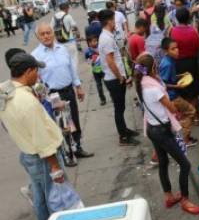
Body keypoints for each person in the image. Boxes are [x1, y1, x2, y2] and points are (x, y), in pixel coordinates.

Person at [0, 53, 68, 220]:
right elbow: (42, 139)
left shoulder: (4, 92)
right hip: (42, 158)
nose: (38, 76)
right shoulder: (26, 102)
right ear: (28, 71)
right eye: (36, 71)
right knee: (53, 198)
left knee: (40, 197)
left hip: (27, 152)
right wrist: (55, 167)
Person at [133, 52, 199, 215]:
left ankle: (168, 196)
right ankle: (185, 199)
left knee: (163, 163)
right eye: (155, 65)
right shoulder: (153, 88)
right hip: (162, 131)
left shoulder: (141, 83)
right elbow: (171, 107)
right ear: (152, 68)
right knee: (184, 164)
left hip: (152, 128)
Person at [32, 23, 94, 161]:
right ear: (38, 36)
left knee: (74, 120)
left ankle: (77, 148)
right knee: (61, 125)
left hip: (68, 91)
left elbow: (71, 69)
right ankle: (66, 154)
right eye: (43, 34)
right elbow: (35, 80)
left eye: (49, 32)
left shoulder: (63, 49)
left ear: (53, 33)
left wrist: (78, 86)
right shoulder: (35, 56)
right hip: (52, 96)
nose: (46, 36)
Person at [98, 9, 140, 146]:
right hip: (114, 79)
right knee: (119, 108)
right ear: (109, 21)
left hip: (116, 78)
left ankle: (124, 130)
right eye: (114, 20)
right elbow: (110, 61)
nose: (115, 23)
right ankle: (123, 137)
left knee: (121, 108)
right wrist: (120, 78)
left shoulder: (108, 36)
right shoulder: (106, 38)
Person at [159, 38, 198, 147]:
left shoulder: (169, 60)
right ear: (166, 51)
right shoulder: (167, 64)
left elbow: (169, 78)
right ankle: (185, 139)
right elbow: (163, 84)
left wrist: (180, 76)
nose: (177, 51)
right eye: (173, 49)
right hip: (172, 96)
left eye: (177, 48)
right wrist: (178, 85)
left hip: (172, 95)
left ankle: (183, 135)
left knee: (184, 113)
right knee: (191, 111)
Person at [170, 7, 199, 109]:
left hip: (178, 63)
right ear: (188, 17)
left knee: (183, 88)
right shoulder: (193, 31)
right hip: (192, 62)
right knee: (194, 90)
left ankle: (188, 115)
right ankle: (195, 116)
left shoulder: (173, 31)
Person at [53, 2, 79, 68]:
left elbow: (51, 29)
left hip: (60, 43)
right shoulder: (68, 16)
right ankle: (74, 76)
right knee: (73, 60)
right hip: (70, 42)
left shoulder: (54, 17)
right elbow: (74, 26)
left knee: (64, 60)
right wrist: (78, 34)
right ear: (66, 8)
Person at [85, 35, 106, 106]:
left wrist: (95, 51)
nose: (95, 42)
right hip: (95, 71)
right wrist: (91, 61)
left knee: (107, 84)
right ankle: (102, 99)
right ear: (89, 43)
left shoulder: (100, 47)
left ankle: (112, 97)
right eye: (94, 41)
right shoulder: (87, 51)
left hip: (103, 69)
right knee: (99, 86)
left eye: (96, 41)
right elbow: (87, 60)